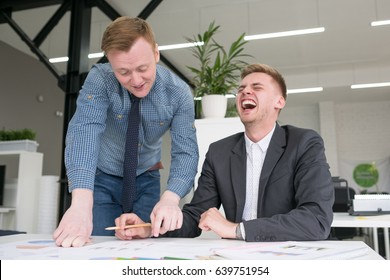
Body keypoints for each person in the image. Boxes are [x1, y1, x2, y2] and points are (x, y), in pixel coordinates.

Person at [114, 63, 334, 242]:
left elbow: (315, 220)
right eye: (241, 89)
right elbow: (194, 217)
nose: (245, 91)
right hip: (238, 261)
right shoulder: (220, 152)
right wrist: (149, 227)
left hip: (291, 258)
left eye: (257, 87)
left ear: (280, 101)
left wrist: (237, 230)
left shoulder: (304, 143)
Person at [53, 16, 199, 247]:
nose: (136, 80)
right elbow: (85, 131)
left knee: (145, 246)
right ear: (111, 65)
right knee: (96, 244)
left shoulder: (178, 92)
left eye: (143, 68)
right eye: (123, 72)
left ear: (156, 54)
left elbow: (186, 151)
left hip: (147, 177)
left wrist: (171, 199)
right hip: (102, 178)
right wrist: (80, 203)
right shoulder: (100, 79)